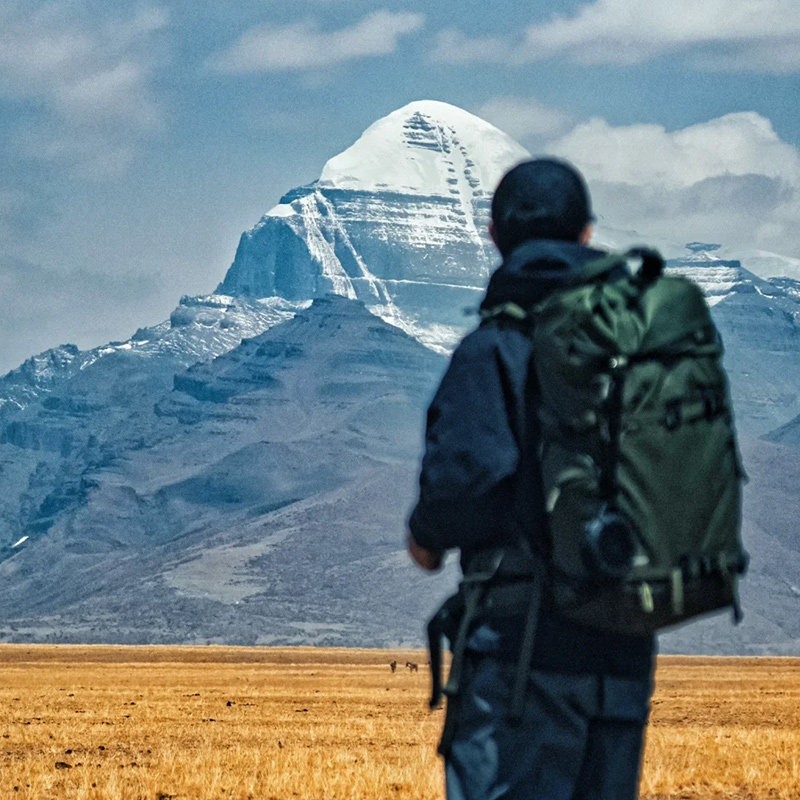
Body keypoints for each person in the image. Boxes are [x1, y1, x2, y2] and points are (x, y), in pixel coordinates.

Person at [407, 158, 656, 800]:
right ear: (587, 233)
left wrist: (425, 537)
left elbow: (462, 487)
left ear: (495, 235)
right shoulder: (642, 351)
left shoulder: (495, 347)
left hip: (521, 660)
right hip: (623, 665)